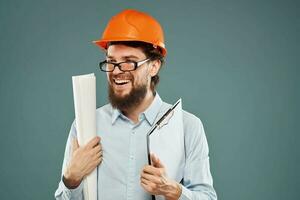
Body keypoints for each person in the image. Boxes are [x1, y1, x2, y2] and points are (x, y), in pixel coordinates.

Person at [55, 9, 217, 200]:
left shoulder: (188, 127)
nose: (116, 71)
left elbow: (207, 197)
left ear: (154, 66)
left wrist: (173, 190)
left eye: (129, 62)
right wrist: (71, 179)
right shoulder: (86, 125)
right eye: (111, 62)